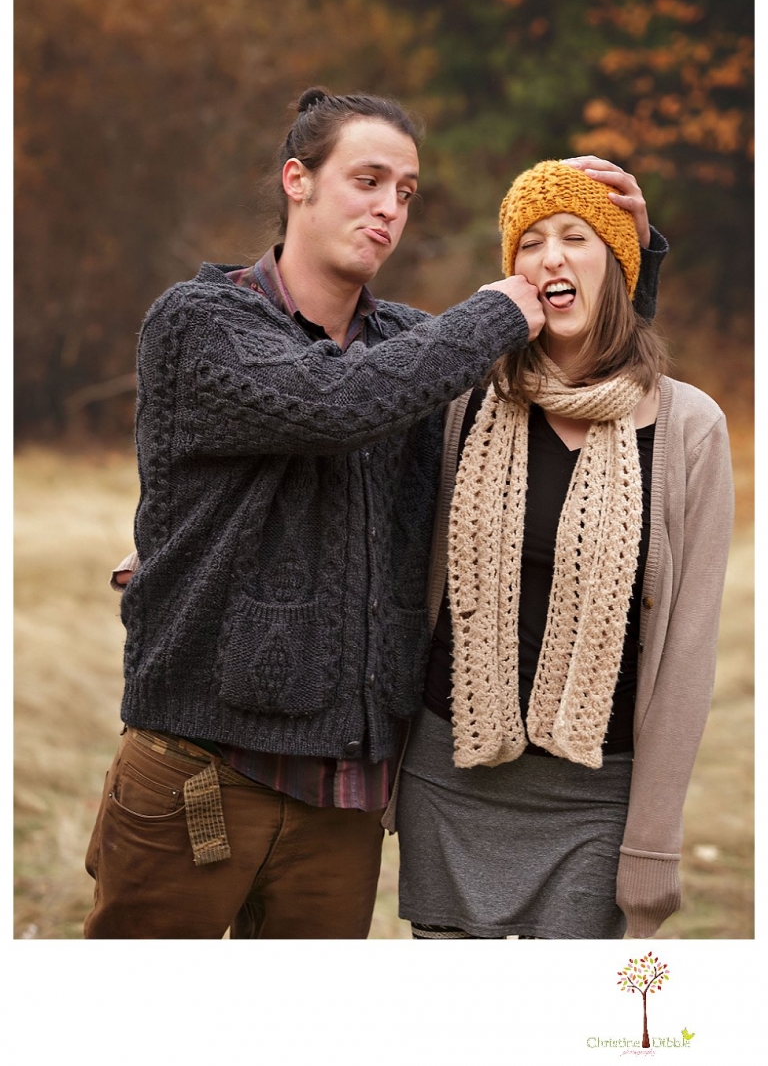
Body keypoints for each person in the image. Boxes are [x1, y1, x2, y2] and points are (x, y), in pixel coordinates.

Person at [86, 88, 666, 938]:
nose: (390, 207)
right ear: (298, 180)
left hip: (343, 802)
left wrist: (627, 261)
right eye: (368, 180)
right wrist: (497, 309)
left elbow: (571, 376)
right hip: (199, 778)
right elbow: (334, 403)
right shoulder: (199, 322)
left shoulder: (411, 345)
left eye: (407, 191)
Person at [394, 159, 733, 941]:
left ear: (618, 265)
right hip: (451, 782)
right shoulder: (462, 399)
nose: (551, 256)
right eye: (531, 242)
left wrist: (653, 838)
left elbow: (687, 654)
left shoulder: (688, 430)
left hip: (594, 800)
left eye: (576, 237)